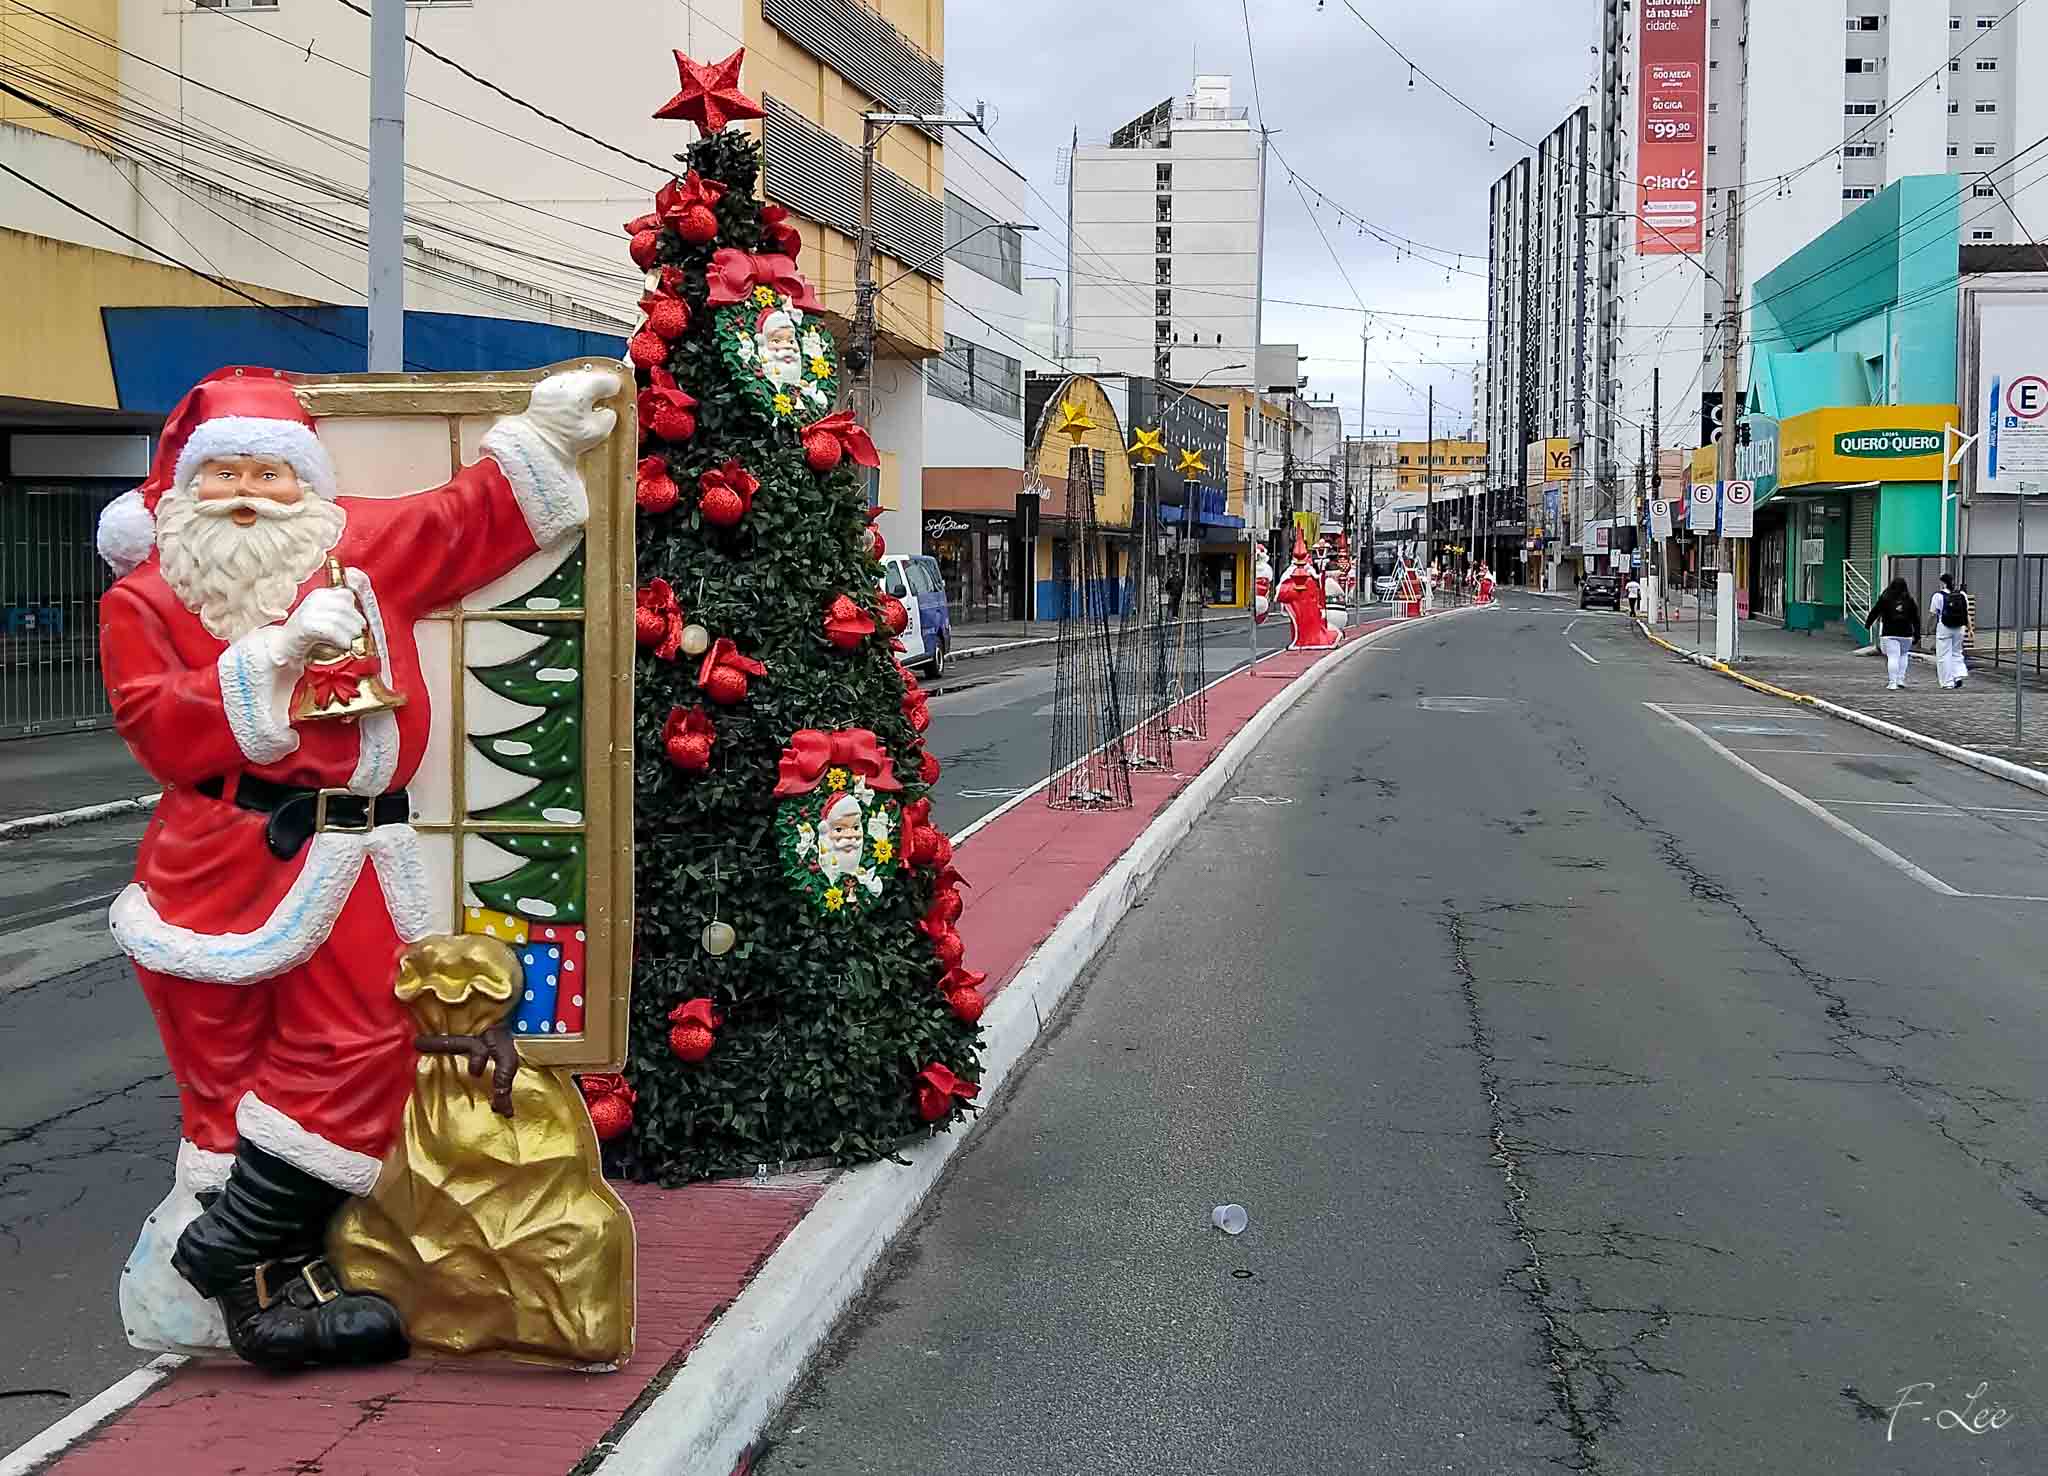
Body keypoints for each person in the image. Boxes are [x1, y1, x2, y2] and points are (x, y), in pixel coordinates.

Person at [94, 364, 620, 1368]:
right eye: (225, 473)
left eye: (273, 472)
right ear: (184, 489)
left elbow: (459, 520)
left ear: (308, 484)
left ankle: (220, 1250)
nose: (250, 491)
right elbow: (160, 729)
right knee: (223, 1082)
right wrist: (275, 656)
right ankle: (263, 1292)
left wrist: (542, 439)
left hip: (355, 857)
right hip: (214, 867)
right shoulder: (148, 598)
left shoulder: (357, 553)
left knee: (368, 1041)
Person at [1864, 576, 1922, 690]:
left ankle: (1892, 682)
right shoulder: (1909, 600)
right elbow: (1916, 618)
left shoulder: (1885, 598)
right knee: (1903, 655)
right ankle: (1901, 679)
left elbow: (1875, 611)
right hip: (1906, 633)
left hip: (1889, 632)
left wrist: (1868, 624)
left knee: (1893, 657)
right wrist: (1917, 634)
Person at [1931, 572, 1971, 689]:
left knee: (1944, 655)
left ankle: (1947, 682)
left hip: (1944, 627)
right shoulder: (1962, 595)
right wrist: (1970, 628)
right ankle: (1958, 675)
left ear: (1943, 583)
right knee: (1957, 652)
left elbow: (1933, 614)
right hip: (1959, 628)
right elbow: (1966, 613)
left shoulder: (1938, 596)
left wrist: (1929, 628)